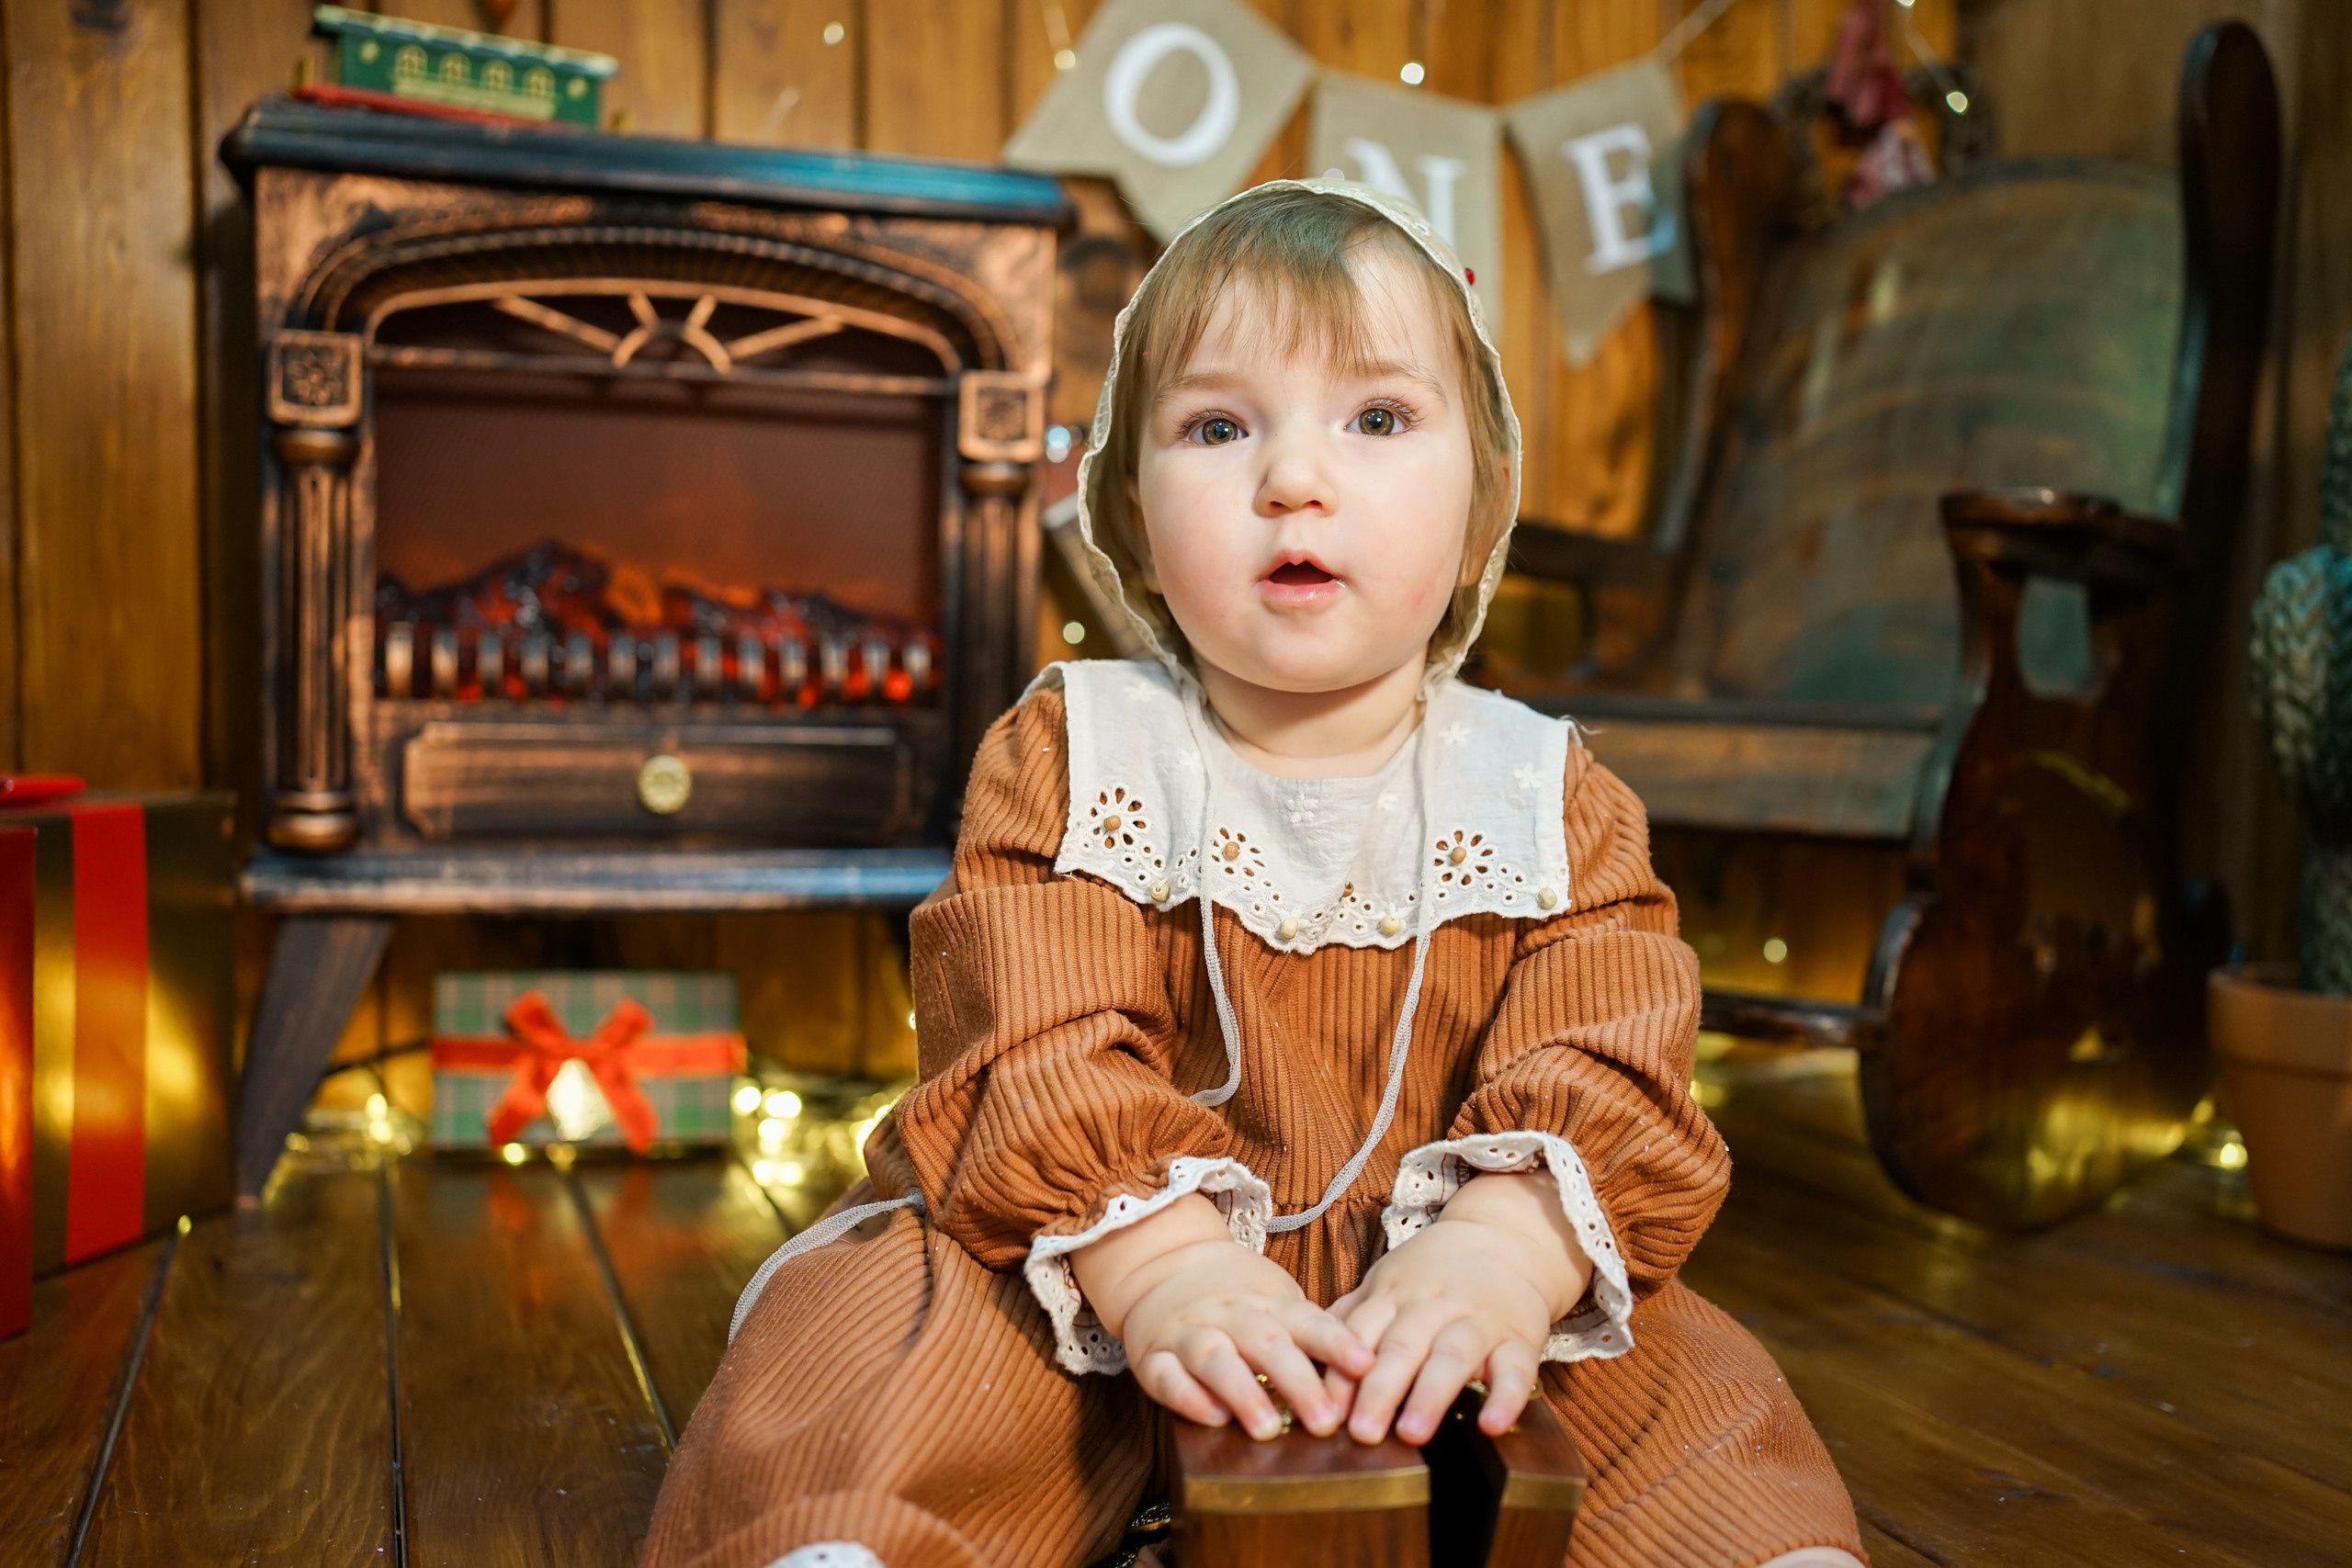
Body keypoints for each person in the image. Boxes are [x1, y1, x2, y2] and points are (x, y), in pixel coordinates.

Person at [644, 180, 1867, 1568]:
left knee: (1671, 1382)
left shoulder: (1542, 795)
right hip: (1094, 1257)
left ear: (1479, 512)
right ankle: (850, 1538)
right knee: (899, 1336)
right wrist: (1161, 1269)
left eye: (1380, 421)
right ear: (1138, 526)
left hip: (1437, 1279)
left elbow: (1611, 1048)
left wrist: (1508, 1251)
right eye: (1218, 427)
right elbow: (1038, 1046)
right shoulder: (1080, 753)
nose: (1294, 478)